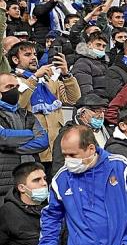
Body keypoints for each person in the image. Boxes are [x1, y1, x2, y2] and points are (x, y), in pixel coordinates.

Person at [8, 40, 80, 175]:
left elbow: (73, 99)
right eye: (27, 54)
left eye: (34, 54)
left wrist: (66, 74)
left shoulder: (48, 79)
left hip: (57, 149)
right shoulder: (12, 80)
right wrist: (34, 78)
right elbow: (17, 105)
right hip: (33, 150)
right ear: (15, 59)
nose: (33, 58)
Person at [0, 73, 49, 196]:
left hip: (30, 183)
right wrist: (30, 134)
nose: (14, 91)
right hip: (4, 183)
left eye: (16, 87)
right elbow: (3, 137)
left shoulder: (28, 115)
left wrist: (10, 148)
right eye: (9, 87)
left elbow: (43, 141)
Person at [0, 163, 56, 245]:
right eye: (36, 180)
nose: (44, 183)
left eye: (44, 178)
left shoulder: (55, 208)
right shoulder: (8, 212)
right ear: (22, 188)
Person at [72, 32, 110, 98]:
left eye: (104, 46)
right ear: (89, 45)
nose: (101, 48)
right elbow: (85, 91)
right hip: (92, 104)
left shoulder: (104, 63)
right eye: (98, 45)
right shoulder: (82, 63)